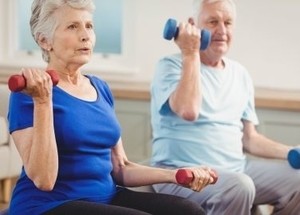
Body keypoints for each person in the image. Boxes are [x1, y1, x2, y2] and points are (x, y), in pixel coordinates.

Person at [7, 0, 218, 214]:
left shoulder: (100, 88)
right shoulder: (28, 95)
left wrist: (173, 175)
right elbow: (44, 180)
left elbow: (121, 167)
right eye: (72, 26)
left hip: (107, 197)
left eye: (89, 26)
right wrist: (43, 101)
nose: (85, 35)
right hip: (48, 206)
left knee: (189, 211)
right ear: (44, 40)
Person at [150, 0, 300, 214]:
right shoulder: (170, 65)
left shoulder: (240, 74)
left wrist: (291, 152)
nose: (222, 30)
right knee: (239, 185)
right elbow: (189, 110)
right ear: (193, 25)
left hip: (236, 171)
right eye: (213, 21)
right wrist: (190, 52)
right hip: (181, 172)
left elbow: (250, 139)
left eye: (228, 23)